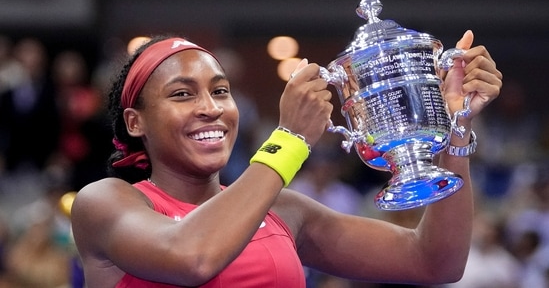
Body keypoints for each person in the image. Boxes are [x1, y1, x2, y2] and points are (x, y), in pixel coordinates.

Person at [71, 30, 502, 287]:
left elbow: (435, 262)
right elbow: (192, 258)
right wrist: (290, 139)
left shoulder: (282, 210)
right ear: (135, 122)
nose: (211, 107)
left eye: (220, 91)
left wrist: (454, 126)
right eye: (182, 94)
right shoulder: (105, 202)